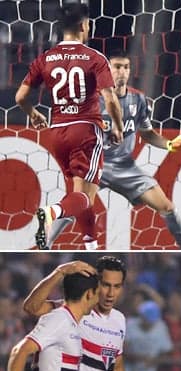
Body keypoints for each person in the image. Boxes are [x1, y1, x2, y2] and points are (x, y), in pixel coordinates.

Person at [46, 51, 181, 250]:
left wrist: (170, 144)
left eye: (126, 67)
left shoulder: (139, 99)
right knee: (78, 205)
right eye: (117, 67)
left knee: (167, 207)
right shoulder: (90, 99)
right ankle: (46, 243)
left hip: (125, 167)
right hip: (95, 164)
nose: (122, 72)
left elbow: (148, 133)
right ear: (107, 70)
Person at [15, 3, 123, 250]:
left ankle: (91, 243)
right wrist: (117, 127)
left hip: (58, 132)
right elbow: (110, 98)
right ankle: (52, 212)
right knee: (85, 196)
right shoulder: (95, 58)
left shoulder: (46, 58)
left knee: (81, 194)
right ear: (85, 26)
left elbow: (20, 97)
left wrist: (32, 113)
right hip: (86, 130)